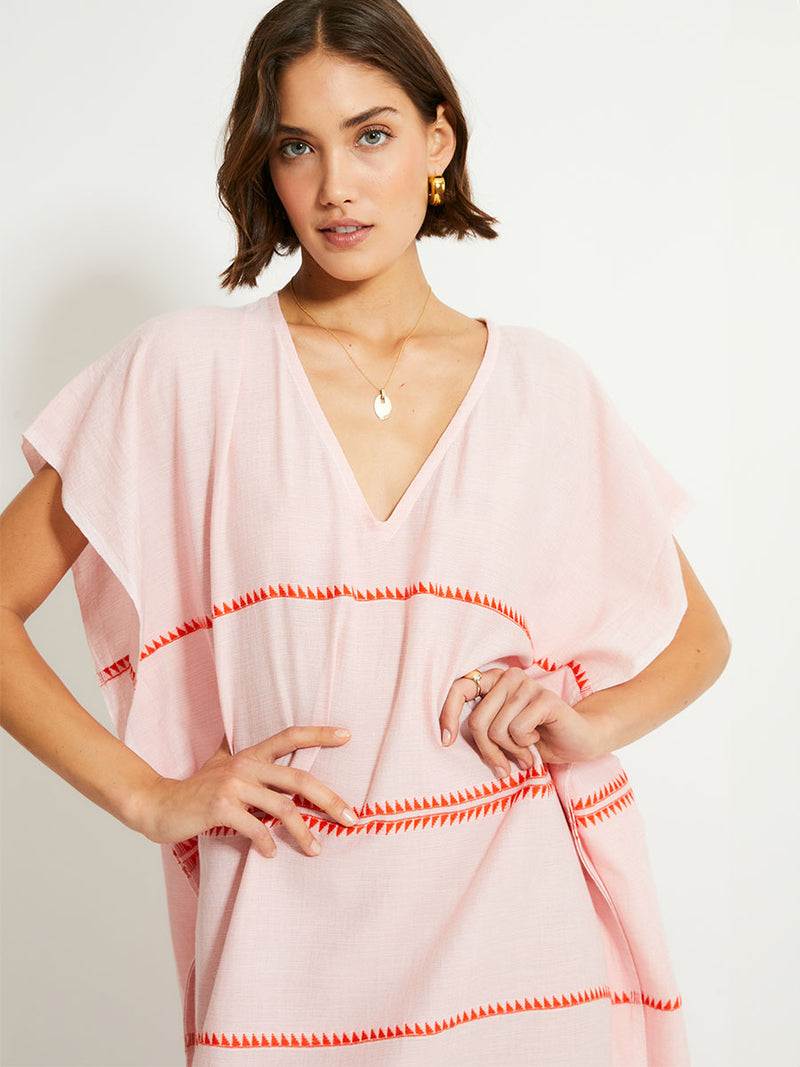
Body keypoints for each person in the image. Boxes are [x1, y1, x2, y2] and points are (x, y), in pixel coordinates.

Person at [0, 0, 730, 1063]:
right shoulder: (182, 373)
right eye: (299, 145)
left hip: (525, 959)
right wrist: (151, 795)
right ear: (268, 163)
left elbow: (697, 637)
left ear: (437, 140)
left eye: (371, 134)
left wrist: (586, 720)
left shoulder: (539, 386)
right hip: (283, 963)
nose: (335, 186)